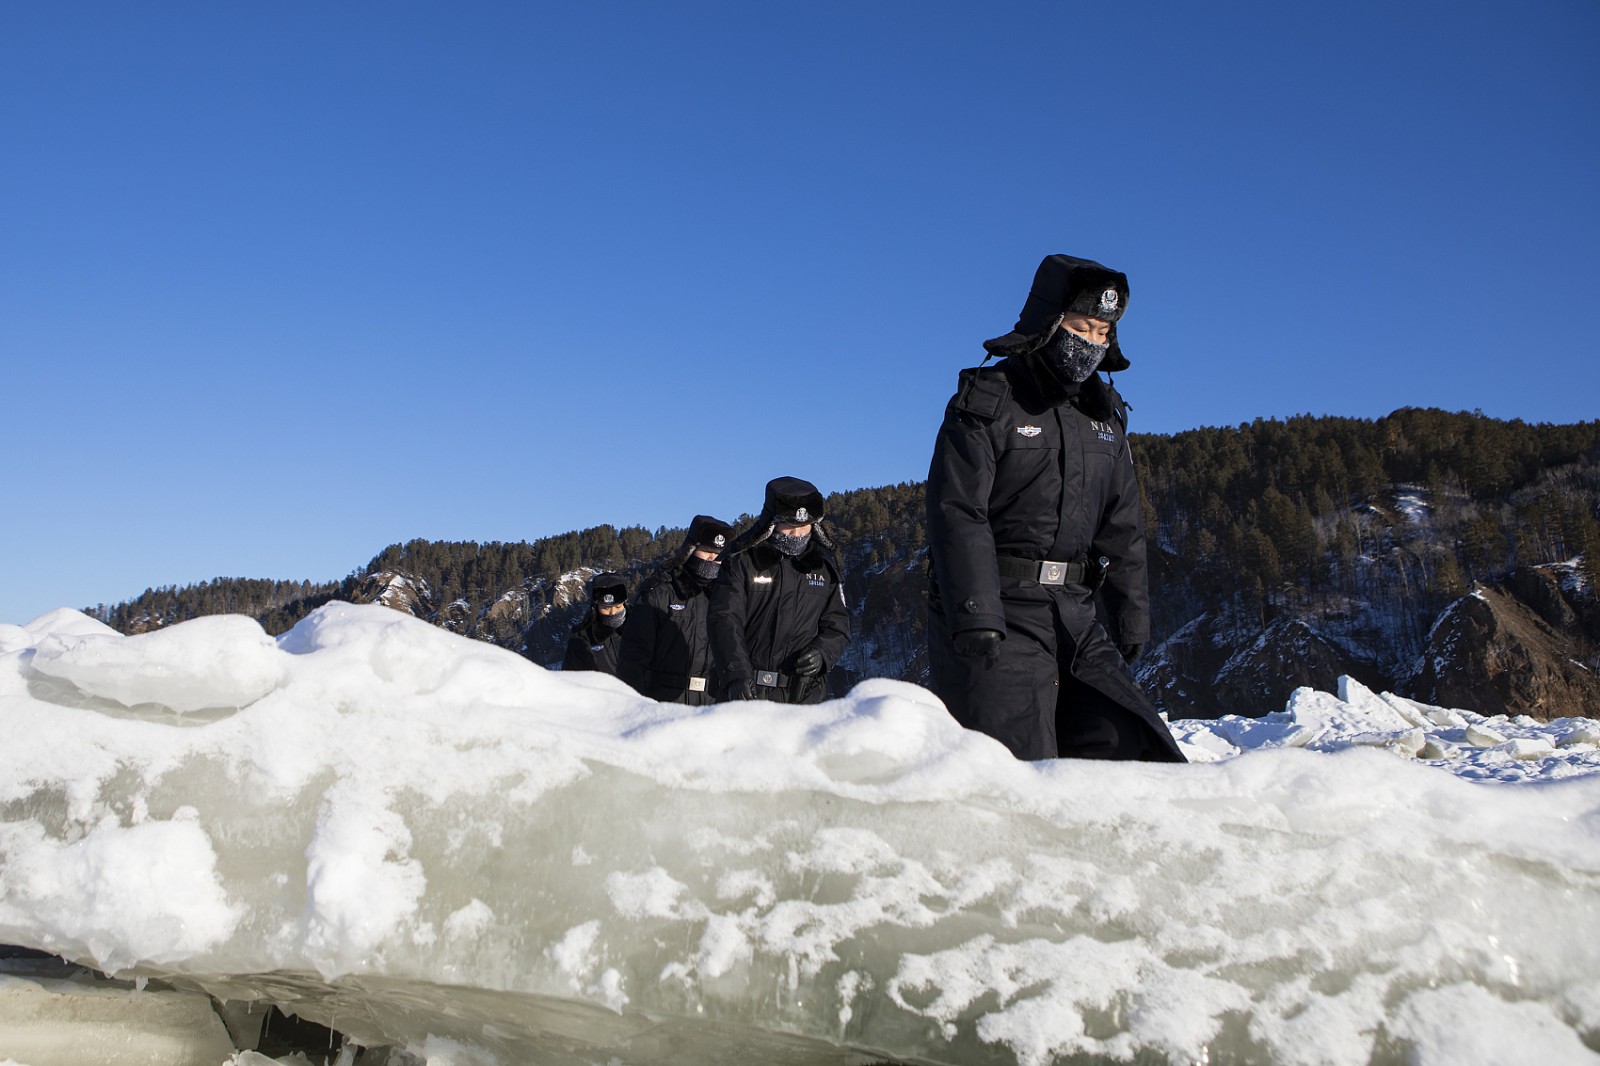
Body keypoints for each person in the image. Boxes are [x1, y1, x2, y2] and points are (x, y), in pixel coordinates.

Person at [925, 254, 1185, 762]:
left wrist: (1131, 615)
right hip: (1001, 612)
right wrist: (976, 610)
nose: (1092, 342)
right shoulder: (989, 401)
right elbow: (958, 511)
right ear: (1049, 321)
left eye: (1104, 332)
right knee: (1020, 769)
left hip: (1075, 614)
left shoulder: (1105, 416)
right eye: (1083, 326)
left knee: (1132, 748)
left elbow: (1123, 526)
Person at [709, 476, 850, 704]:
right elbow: (724, 621)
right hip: (746, 693)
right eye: (790, 526)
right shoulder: (742, 562)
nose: (797, 535)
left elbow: (839, 625)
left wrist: (823, 653)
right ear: (772, 522)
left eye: (804, 527)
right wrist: (735, 675)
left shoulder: (824, 569)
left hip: (804, 696)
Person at [618, 514, 735, 704]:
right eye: (706, 551)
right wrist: (631, 704)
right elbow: (633, 656)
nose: (712, 559)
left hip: (712, 704)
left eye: (719, 555)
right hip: (662, 701)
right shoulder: (660, 592)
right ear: (690, 550)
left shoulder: (727, 597)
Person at [562, 571, 628, 675]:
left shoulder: (641, 626)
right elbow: (570, 677)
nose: (613, 612)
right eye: (606, 608)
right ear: (596, 607)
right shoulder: (581, 637)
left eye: (618, 607)